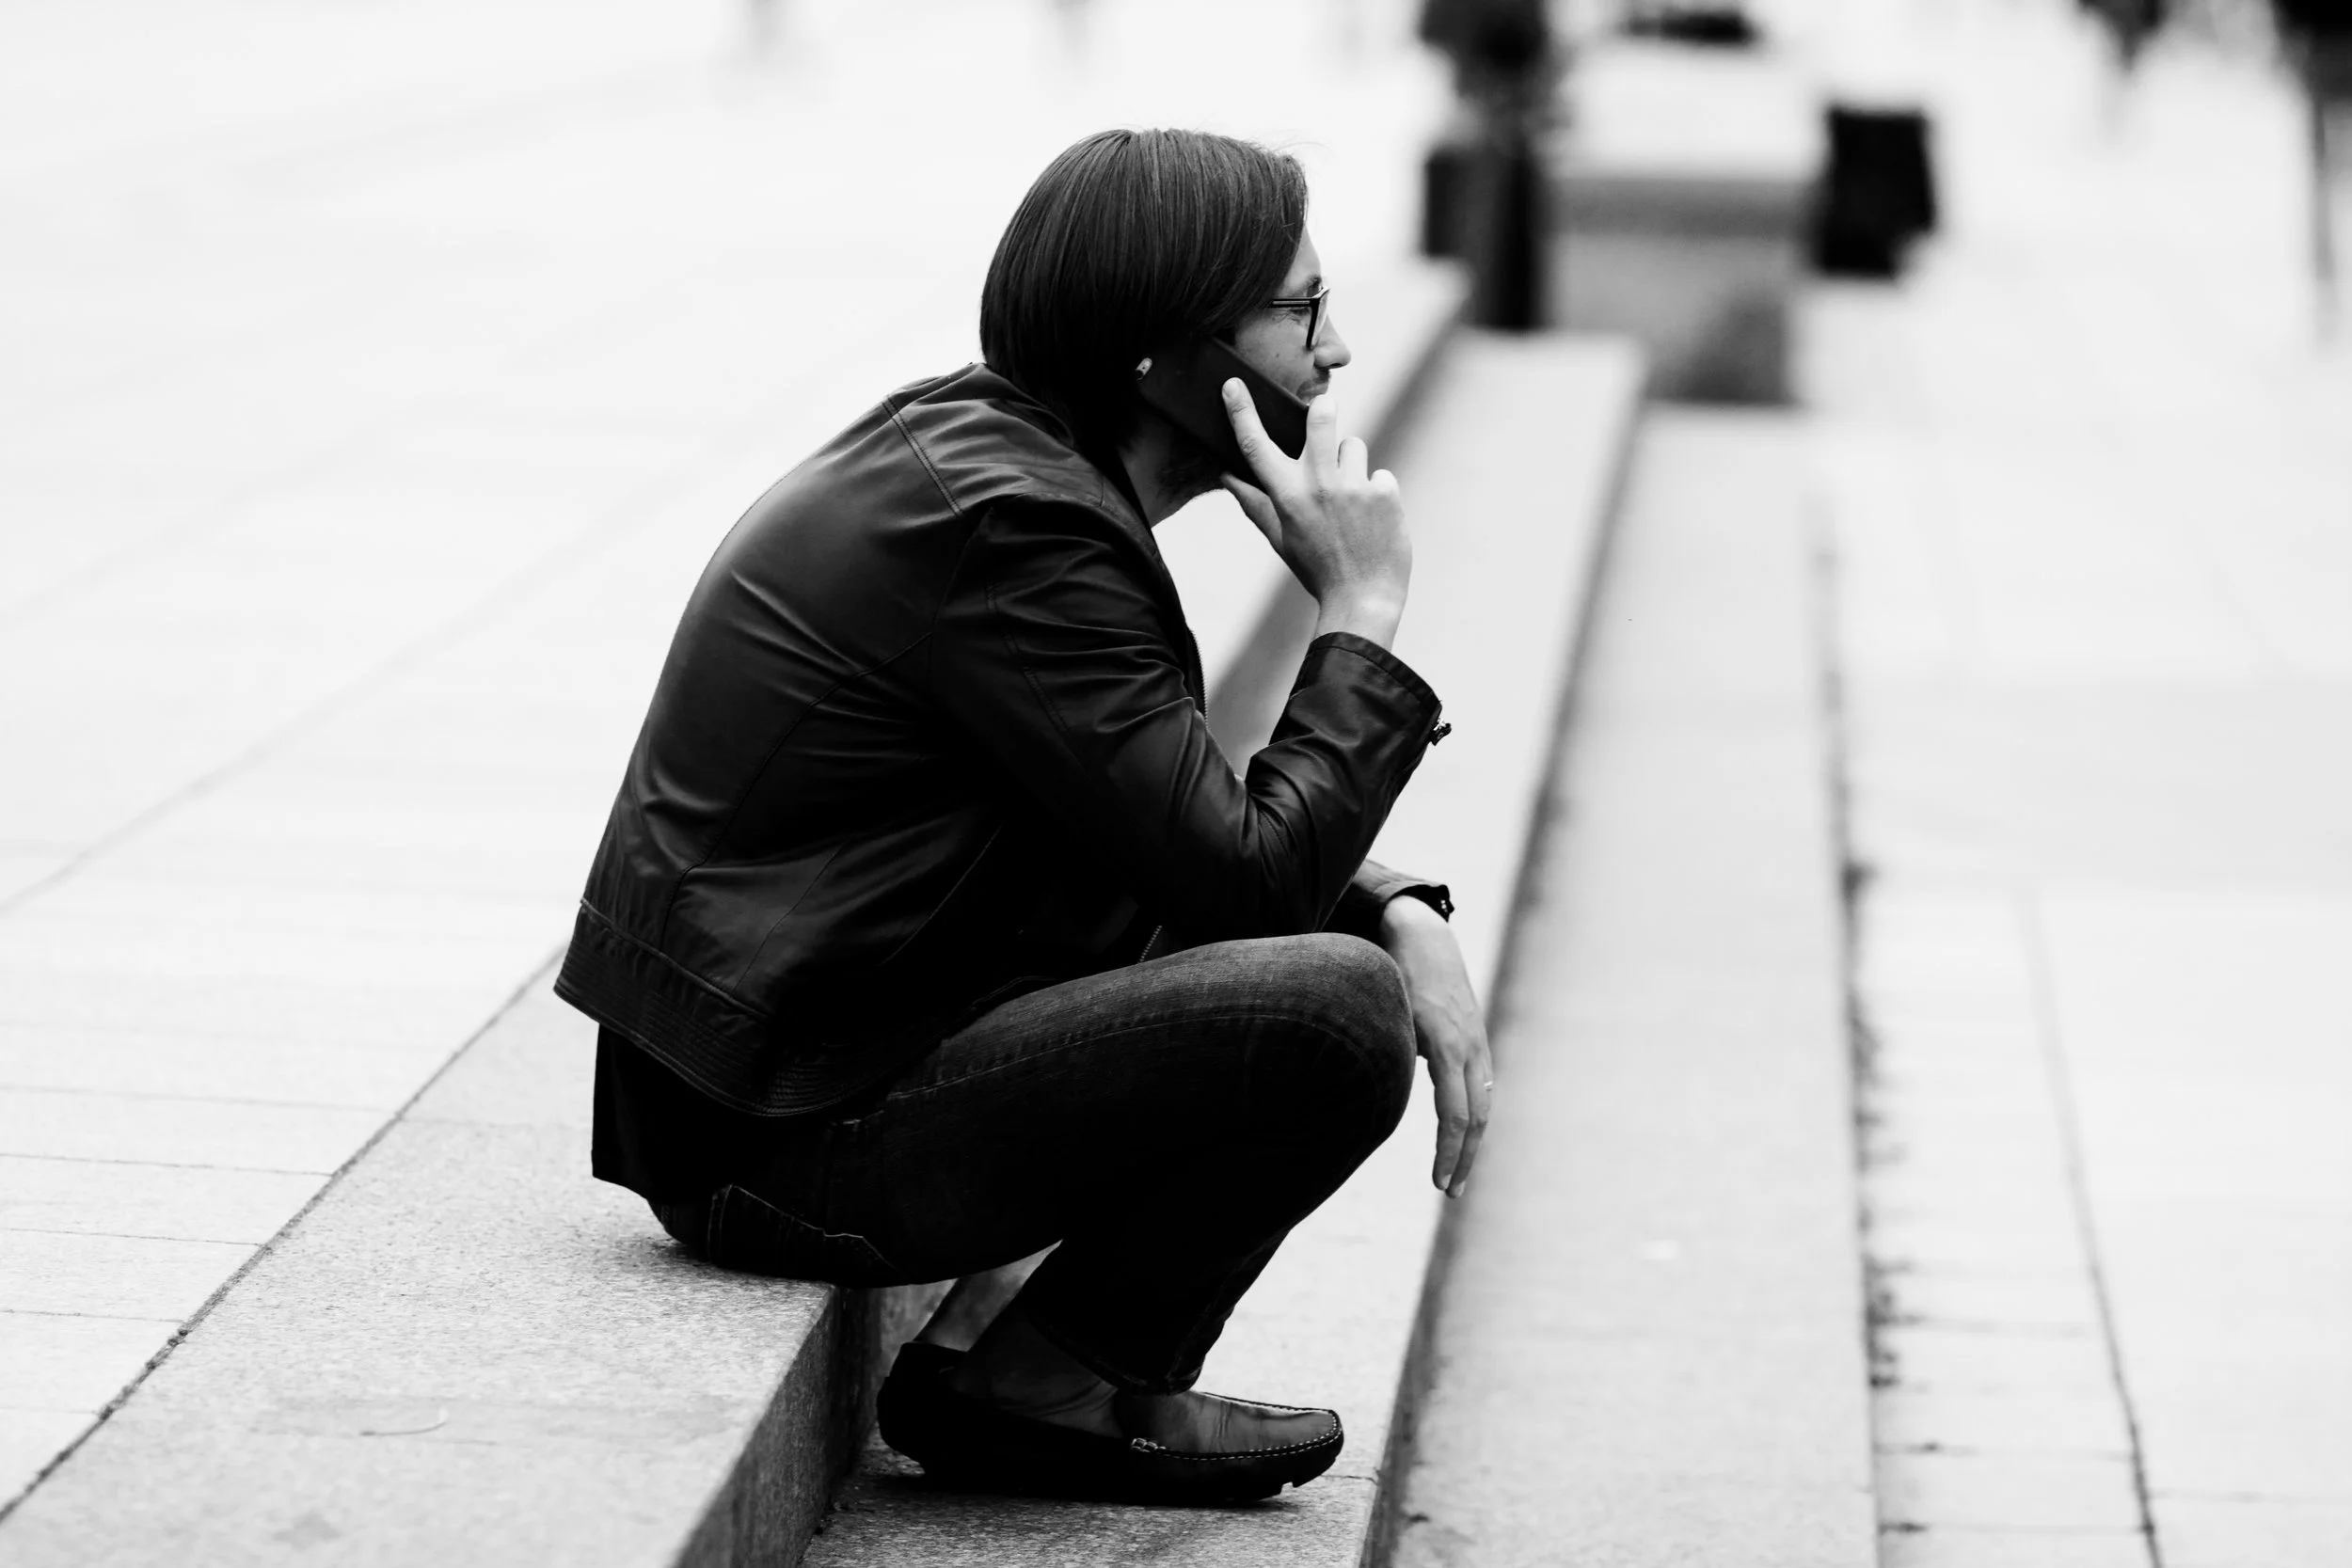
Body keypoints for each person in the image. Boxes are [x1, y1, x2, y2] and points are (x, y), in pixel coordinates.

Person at [556, 127, 1493, 1505]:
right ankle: (1043, 1383)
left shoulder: (1007, 471)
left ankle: (1045, 1364)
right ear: (1174, 358)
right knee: (1332, 1016)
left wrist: (1393, 894)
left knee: (1322, 958)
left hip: (791, 1071)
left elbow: (1152, 813)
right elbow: (1239, 880)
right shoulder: (1019, 528)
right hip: (777, 1137)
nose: (1337, 349)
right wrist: (1357, 615)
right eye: (1300, 311)